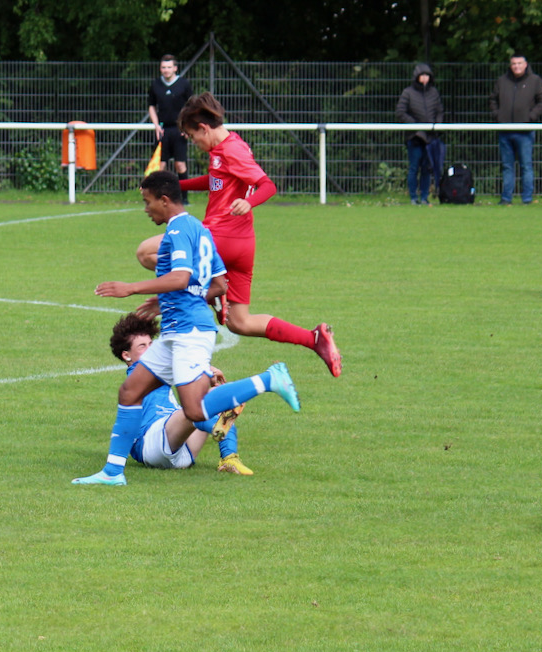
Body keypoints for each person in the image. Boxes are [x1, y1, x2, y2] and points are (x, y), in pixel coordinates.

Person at [72, 171, 301, 485]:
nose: (145, 208)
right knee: (130, 391)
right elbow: (219, 284)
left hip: (190, 331)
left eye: (147, 201)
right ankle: (112, 473)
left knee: (194, 410)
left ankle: (270, 379)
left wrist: (132, 288)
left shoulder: (178, 229)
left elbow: (180, 277)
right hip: (175, 331)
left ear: (164, 201)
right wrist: (160, 301)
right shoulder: (200, 230)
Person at [138, 91, 342, 378]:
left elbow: (267, 185)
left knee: (147, 252)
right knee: (240, 322)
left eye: (193, 136)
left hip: (220, 237)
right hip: (242, 245)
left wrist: (250, 201)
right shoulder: (227, 149)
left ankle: (209, 293)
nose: (194, 143)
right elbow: (217, 181)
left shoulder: (231, 150)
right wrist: (175, 184)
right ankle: (314, 339)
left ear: (204, 128)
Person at [73, 313, 251, 482]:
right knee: (200, 406)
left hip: (182, 451)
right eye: (142, 346)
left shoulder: (156, 371)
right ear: (127, 355)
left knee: (218, 395)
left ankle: (228, 456)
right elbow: (180, 366)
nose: (151, 350)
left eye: (151, 344)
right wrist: (204, 369)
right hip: (152, 442)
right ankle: (222, 438)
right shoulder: (137, 373)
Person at [488, 53, 542, 205]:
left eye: (519, 63)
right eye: (514, 63)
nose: (517, 66)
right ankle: (506, 198)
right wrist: (498, 116)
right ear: (510, 65)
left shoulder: (535, 81)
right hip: (505, 130)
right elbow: (492, 100)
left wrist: (531, 117)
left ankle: (527, 199)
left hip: (525, 131)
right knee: (507, 166)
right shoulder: (502, 81)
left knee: (526, 166)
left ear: (525, 64)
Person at [396, 63, 444, 206]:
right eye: (422, 76)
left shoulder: (434, 93)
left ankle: (424, 197)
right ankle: (413, 197)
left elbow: (439, 111)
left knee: (427, 168)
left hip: (430, 137)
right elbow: (400, 112)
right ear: (416, 77)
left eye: (427, 76)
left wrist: (437, 125)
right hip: (415, 137)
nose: (424, 78)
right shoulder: (408, 93)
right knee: (414, 167)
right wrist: (416, 126)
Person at [147, 54, 193, 203]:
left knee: (180, 165)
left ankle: (183, 198)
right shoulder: (155, 85)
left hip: (179, 130)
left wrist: (187, 127)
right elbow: (152, 106)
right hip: (163, 130)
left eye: (169, 67)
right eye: (163, 67)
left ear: (175, 68)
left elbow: (191, 106)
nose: (166, 70)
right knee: (160, 166)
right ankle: (160, 197)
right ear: (160, 69)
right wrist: (156, 125)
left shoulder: (184, 84)